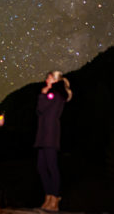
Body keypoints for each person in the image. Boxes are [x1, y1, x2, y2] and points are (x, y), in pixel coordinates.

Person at [34, 70, 72, 212]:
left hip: (50, 134)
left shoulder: (56, 93)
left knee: (51, 166)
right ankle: (48, 196)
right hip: (43, 134)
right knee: (41, 167)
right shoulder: (53, 93)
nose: (46, 79)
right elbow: (39, 111)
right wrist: (43, 95)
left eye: (49, 77)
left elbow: (42, 108)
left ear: (55, 79)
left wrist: (43, 94)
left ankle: (54, 199)